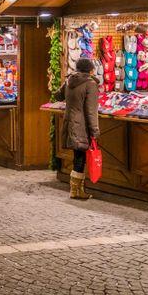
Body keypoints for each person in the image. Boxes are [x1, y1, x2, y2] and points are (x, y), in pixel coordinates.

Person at [61, 57, 100, 200]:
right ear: (91, 70)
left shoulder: (69, 81)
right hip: (81, 125)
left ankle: (76, 189)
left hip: (70, 122)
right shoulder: (90, 84)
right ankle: (76, 190)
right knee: (80, 157)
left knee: (78, 156)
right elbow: (91, 111)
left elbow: (58, 95)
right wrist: (95, 131)